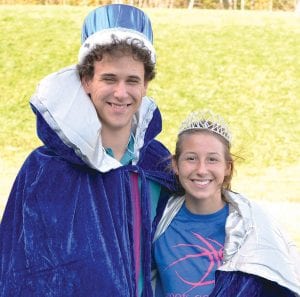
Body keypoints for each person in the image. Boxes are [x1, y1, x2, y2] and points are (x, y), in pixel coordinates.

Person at [0, 4, 175, 297]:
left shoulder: (158, 165)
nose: (121, 93)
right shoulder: (43, 170)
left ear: (145, 85)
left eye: (132, 80)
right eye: (109, 78)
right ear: (86, 81)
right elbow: (15, 270)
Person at [152, 110, 300, 297]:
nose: (201, 170)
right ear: (176, 164)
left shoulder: (253, 228)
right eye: (191, 158)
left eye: (212, 159)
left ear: (227, 167)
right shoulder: (158, 220)